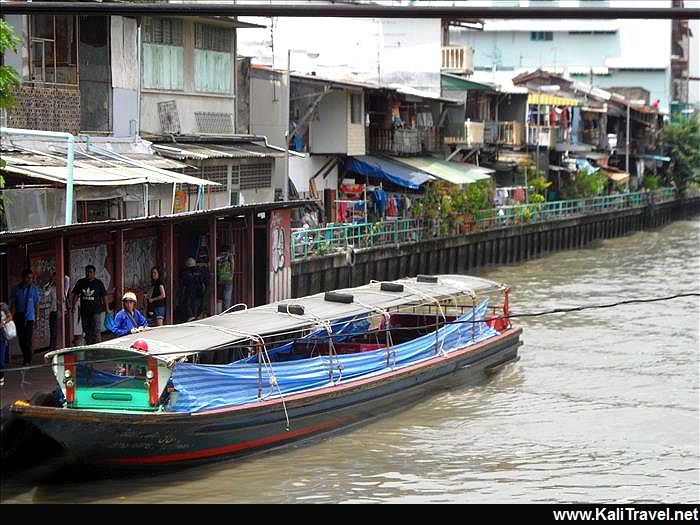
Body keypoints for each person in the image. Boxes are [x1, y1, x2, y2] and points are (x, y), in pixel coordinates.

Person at [70, 265, 109, 345]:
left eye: (90, 272)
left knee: (96, 330)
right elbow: (76, 295)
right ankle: (89, 346)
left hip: (96, 311)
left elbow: (104, 296)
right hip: (84, 312)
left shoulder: (98, 283)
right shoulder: (81, 282)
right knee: (86, 331)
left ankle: (97, 347)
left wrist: (107, 309)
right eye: (87, 272)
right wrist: (73, 306)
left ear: (94, 273)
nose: (88, 274)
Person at [10, 269, 40, 366]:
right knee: (21, 339)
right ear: (23, 278)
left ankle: (28, 359)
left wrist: (37, 317)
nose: (29, 280)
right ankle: (26, 355)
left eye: (31, 278)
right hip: (19, 316)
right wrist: (11, 318)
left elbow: (37, 304)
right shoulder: (16, 289)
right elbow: (13, 304)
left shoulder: (34, 289)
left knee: (28, 338)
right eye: (28, 278)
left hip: (30, 317)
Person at [180, 257, 207, 322]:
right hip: (198, 291)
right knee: (196, 304)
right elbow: (203, 281)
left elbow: (184, 283)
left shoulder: (186, 272)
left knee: (188, 304)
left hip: (189, 291)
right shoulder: (199, 271)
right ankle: (196, 316)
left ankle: (191, 316)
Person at [217, 246, 234, 312]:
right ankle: (226, 311)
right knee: (227, 297)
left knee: (218, 296)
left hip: (219, 278)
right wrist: (231, 275)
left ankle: (218, 310)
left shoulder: (218, 256)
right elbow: (232, 264)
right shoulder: (229, 255)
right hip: (227, 278)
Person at [44, 273, 58, 352]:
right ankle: (52, 348)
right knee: (53, 331)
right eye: (54, 278)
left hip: (62, 311)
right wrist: (50, 282)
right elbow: (45, 293)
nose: (56, 279)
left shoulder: (63, 286)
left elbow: (67, 279)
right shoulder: (52, 288)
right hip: (53, 311)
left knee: (59, 331)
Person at [0, 301, 13, 387]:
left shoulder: (2, 306)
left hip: (1, 337)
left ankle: (1, 377)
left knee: (1, 360)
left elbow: (10, 317)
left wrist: (3, 322)